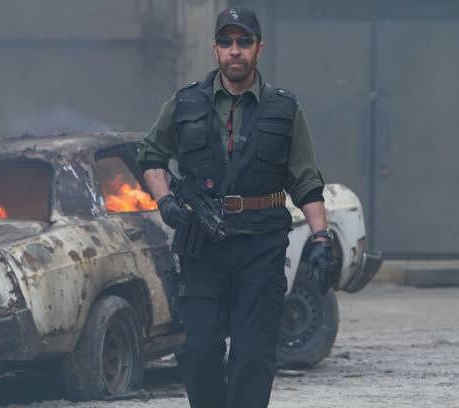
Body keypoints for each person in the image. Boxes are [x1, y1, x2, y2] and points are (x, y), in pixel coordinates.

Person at [136, 7, 336, 408]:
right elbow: (151, 155)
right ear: (215, 49)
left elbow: (305, 179)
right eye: (226, 42)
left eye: (244, 41)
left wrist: (321, 237)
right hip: (202, 248)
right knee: (198, 351)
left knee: (253, 355)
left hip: (260, 246)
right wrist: (166, 200)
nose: (235, 50)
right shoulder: (185, 103)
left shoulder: (284, 108)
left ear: (259, 48)